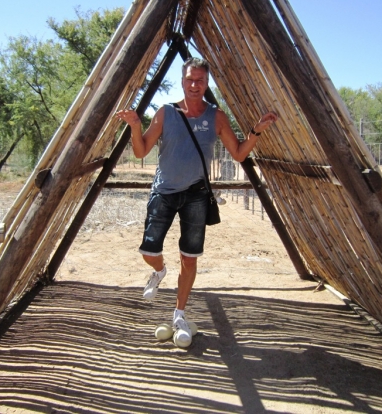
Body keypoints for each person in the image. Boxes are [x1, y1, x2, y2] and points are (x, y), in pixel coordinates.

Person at [116, 57, 278, 347]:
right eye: (190, 79)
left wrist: (256, 132)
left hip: (196, 194)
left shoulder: (216, 117)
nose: (194, 85)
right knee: (148, 250)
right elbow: (141, 152)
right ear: (182, 81)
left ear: (206, 83)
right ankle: (159, 270)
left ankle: (179, 312)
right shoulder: (166, 113)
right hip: (164, 191)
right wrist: (135, 126)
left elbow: (239, 154)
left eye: (200, 80)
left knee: (189, 258)